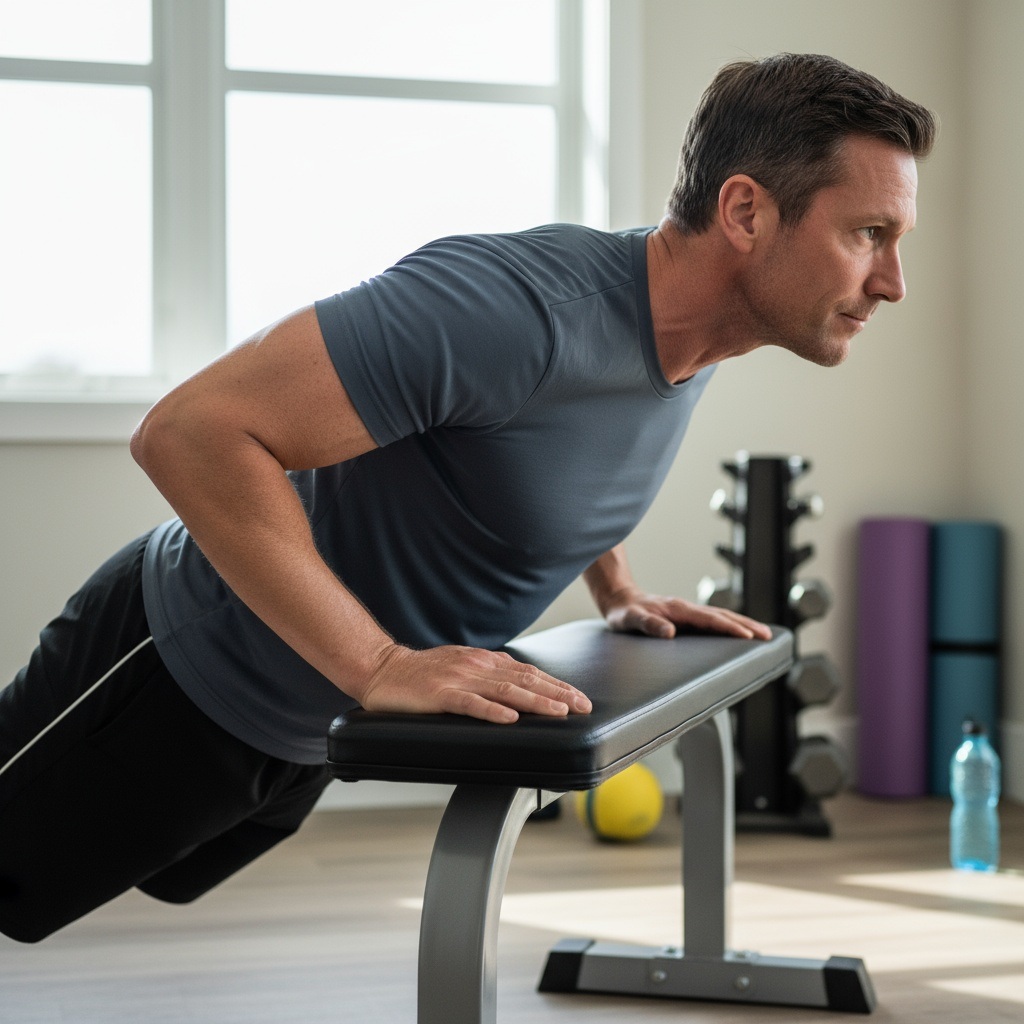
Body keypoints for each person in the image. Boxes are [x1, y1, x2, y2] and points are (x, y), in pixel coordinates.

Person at [0, 52, 936, 943]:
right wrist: (377, 664)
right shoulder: (515, 310)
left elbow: (546, 452)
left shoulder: (698, 338)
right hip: (178, 668)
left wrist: (617, 589)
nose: (892, 282)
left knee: (143, 879)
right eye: (868, 235)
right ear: (745, 212)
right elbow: (190, 432)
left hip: (308, 726)